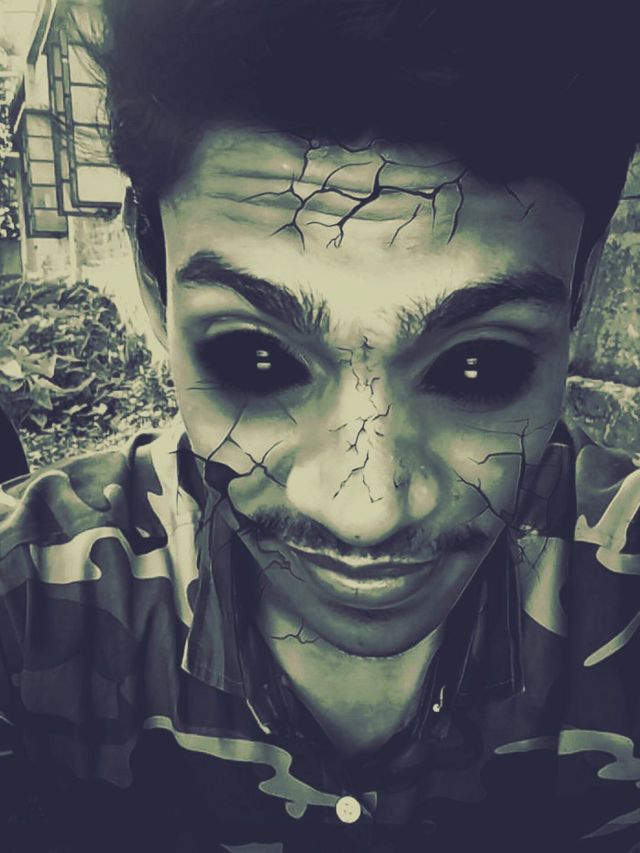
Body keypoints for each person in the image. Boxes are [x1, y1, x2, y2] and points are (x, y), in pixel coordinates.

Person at [1, 1, 639, 850]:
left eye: (477, 365)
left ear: (581, 297)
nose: (365, 511)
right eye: (257, 358)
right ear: (154, 288)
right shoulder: (23, 614)